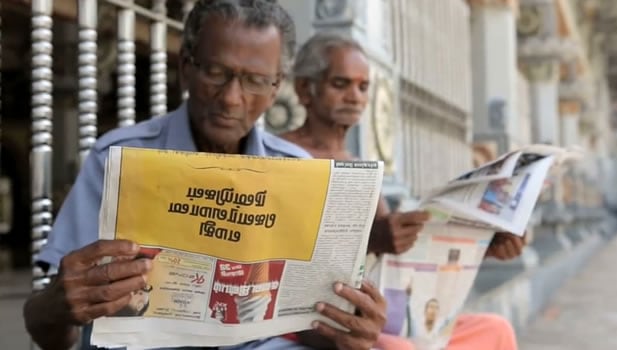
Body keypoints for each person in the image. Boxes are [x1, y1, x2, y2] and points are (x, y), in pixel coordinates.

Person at [22, 2, 386, 350]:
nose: (231, 98)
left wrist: (347, 332)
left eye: (256, 80)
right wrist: (57, 307)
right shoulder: (118, 159)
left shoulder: (302, 173)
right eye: (215, 72)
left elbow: (308, 328)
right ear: (186, 67)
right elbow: (53, 332)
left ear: (277, 87)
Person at [280, 32, 521, 350]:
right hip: (316, 321)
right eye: (341, 84)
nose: (355, 96)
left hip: (381, 313)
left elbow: (400, 256)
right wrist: (370, 239)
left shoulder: (361, 166)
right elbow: (281, 253)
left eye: (363, 87)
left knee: (495, 329)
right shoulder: (283, 156)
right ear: (304, 89)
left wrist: (482, 246)